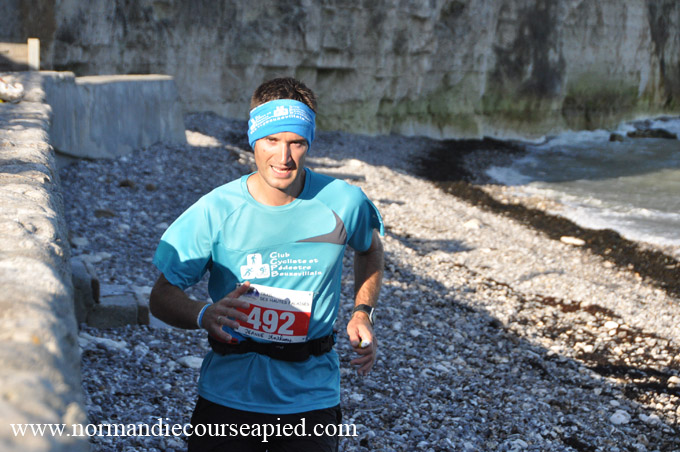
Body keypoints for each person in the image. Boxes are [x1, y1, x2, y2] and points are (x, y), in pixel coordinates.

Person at [149, 77, 384, 451]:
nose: (284, 157)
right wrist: (203, 314)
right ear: (253, 139)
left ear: (310, 143)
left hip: (311, 399)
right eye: (272, 140)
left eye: (296, 142)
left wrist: (362, 312)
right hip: (228, 397)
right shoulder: (215, 210)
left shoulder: (344, 202)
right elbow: (161, 296)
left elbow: (369, 249)